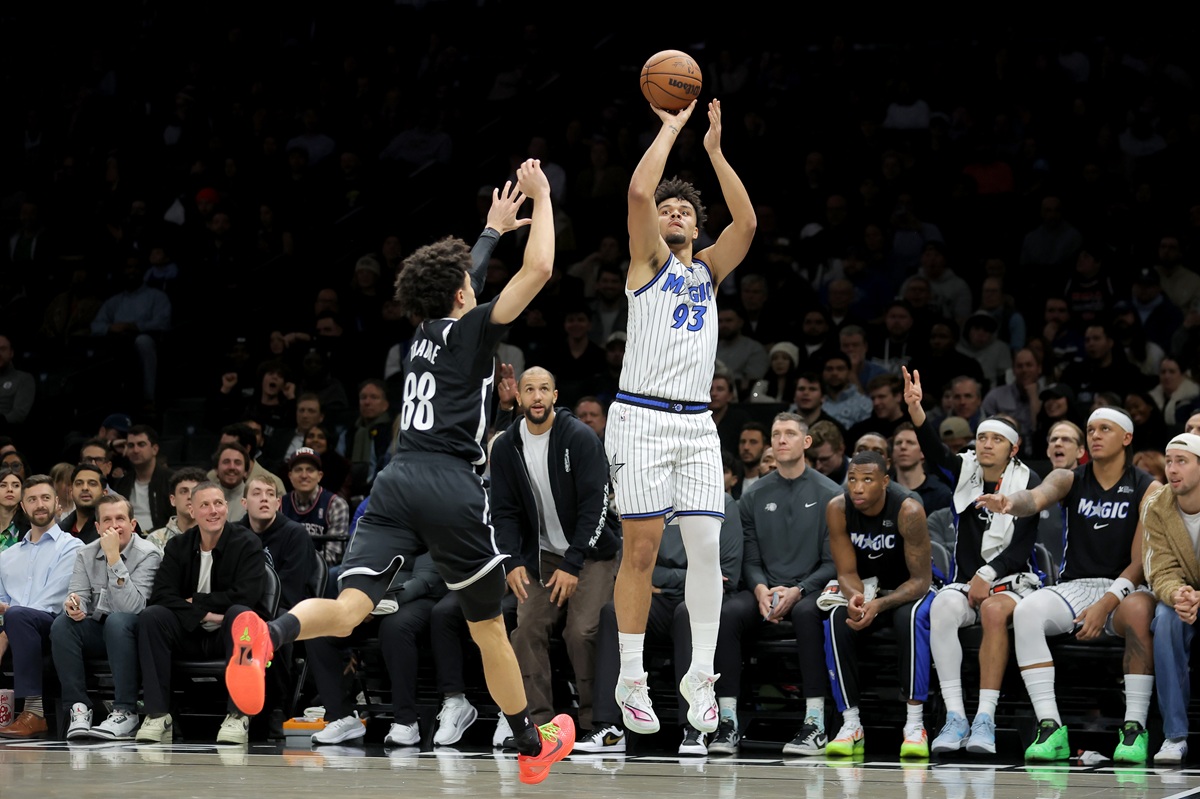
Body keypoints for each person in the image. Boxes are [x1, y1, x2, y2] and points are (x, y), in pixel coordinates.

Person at [224, 161, 574, 785]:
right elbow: (541, 270)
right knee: (489, 625)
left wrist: (490, 232)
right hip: (449, 483)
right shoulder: (469, 330)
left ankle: (270, 635)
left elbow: (455, 282)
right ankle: (529, 741)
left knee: (352, 606)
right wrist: (543, 198)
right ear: (463, 297)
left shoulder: (419, 334)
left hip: (394, 479)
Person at [605, 97, 756, 740]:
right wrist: (669, 130)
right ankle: (632, 678)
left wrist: (717, 153)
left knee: (706, 552)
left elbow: (746, 223)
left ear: (697, 228)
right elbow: (640, 189)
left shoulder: (709, 273)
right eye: (669, 210)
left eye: (686, 211)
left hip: (696, 425)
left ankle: (700, 674)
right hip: (639, 418)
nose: (674, 213)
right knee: (639, 552)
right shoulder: (645, 264)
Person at [975, 406, 1161, 762]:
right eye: (1091, 429)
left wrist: (1105, 605)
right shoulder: (1071, 478)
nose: (1095, 435)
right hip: (1077, 585)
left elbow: (1140, 563)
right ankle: (1051, 726)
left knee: (1138, 611)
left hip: (1125, 588)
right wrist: (1009, 501)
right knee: (1028, 611)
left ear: (1126, 438)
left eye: (1104, 429)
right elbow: (1037, 496)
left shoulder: (1147, 487)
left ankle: (1134, 729)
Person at [899, 368, 1044, 755]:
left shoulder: (1030, 481)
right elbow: (933, 448)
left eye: (997, 439)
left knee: (995, 611)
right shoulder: (965, 472)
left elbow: (1021, 548)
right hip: (966, 583)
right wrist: (916, 409)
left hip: (1013, 581)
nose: (987, 445)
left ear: (1012, 448)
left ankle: (985, 720)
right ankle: (955, 717)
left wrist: (988, 573)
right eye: (982, 438)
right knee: (943, 605)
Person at [490, 366, 620, 741]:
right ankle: (540, 725)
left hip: (591, 553)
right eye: (529, 389)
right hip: (542, 555)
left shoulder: (578, 437)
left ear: (555, 396)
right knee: (525, 629)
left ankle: (599, 723)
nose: (536, 397)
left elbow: (595, 508)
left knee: (581, 632)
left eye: (544, 389)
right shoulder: (506, 445)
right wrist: (512, 561)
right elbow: (503, 511)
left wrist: (573, 562)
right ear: (519, 397)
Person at [710, 413, 841, 755]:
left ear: (806, 442)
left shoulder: (831, 493)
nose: (781, 440)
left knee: (807, 614)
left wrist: (798, 590)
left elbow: (833, 563)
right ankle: (727, 721)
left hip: (809, 591)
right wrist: (759, 589)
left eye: (789, 434)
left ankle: (815, 723)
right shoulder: (753, 496)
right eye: (776, 434)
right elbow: (749, 559)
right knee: (728, 613)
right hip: (763, 591)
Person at [135, 482, 267, 745]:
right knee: (152, 617)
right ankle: (158, 715)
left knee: (240, 615)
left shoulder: (247, 543)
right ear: (192, 511)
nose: (213, 510)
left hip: (229, 634)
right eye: (204, 505)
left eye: (218, 503)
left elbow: (246, 596)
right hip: (190, 633)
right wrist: (206, 615)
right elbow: (161, 595)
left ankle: (238, 714)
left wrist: (196, 601)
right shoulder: (178, 546)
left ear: (227, 508)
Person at [823, 451, 934, 757]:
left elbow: (921, 581)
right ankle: (851, 723)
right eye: (853, 480)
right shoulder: (838, 508)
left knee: (908, 620)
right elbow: (845, 573)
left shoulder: (908, 510)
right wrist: (856, 599)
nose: (857, 487)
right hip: (867, 591)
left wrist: (880, 604)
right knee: (836, 618)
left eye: (867, 480)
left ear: (885, 482)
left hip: (906, 592)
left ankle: (914, 725)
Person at [52, 494, 162, 740]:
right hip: (100, 629)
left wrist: (113, 559)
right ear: (98, 527)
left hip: (134, 632)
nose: (114, 525)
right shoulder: (85, 554)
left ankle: (126, 710)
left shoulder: (149, 554)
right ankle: (78, 708)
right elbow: (77, 595)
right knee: (62, 624)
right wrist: (73, 605)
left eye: (120, 518)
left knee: (117, 621)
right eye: (107, 520)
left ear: (133, 525)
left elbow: (133, 607)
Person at [0, 475, 84, 738]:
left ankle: (34, 712)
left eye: (45, 498)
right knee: (15, 617)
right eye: (32, 499)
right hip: (16, 627)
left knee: (17, 615)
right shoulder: (7, 556)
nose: (39, 504)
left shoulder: (72, 546)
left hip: (55, 628)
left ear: (57, 503)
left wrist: (7, 628)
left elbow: (52, 599)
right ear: (23, 507)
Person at [1142, 434, 1200, 763]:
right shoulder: (1157, 506)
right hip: (1182, 598)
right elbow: (1158, 569)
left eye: (1182, 461)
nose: (1172, 469)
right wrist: (1179, 594)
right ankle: (1174, 735)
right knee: (1164, 620)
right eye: (1168, 461)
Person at [146, 467, 207, 551]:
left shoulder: (215, 536)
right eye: (183, 491)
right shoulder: (155, 540)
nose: (190, 496)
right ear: (173, 500)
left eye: (195, 491)